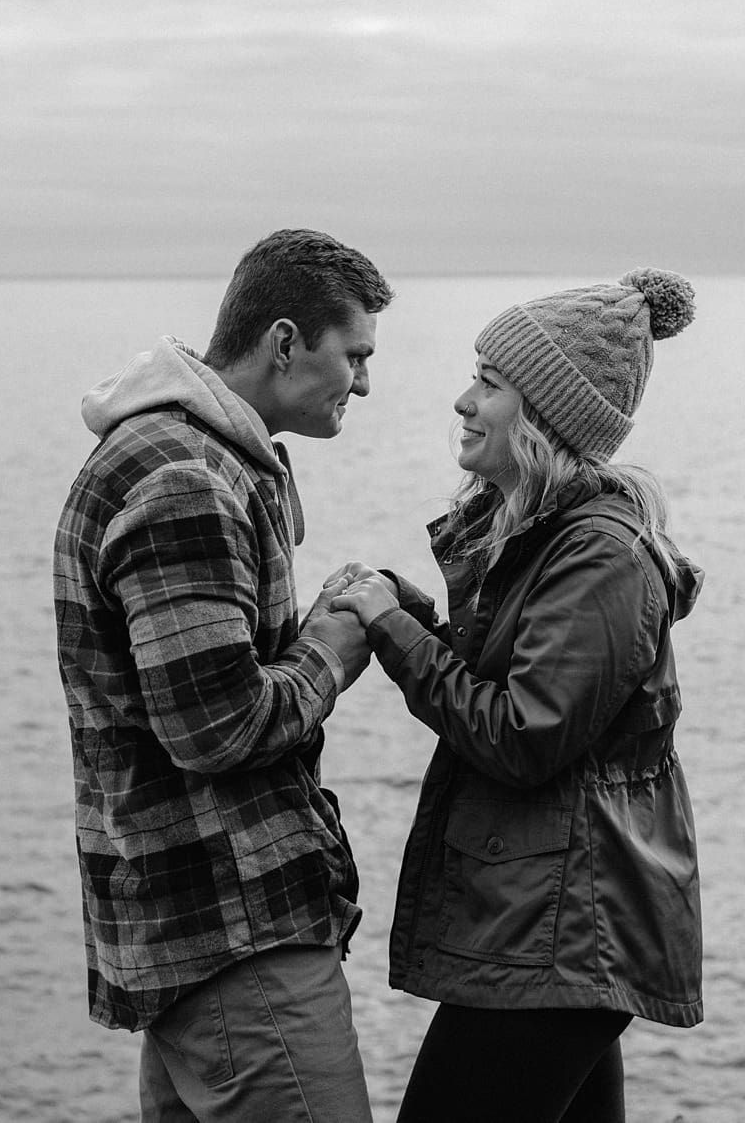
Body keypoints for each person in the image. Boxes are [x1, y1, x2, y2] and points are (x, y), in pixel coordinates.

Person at [326, 267, 705, 1123]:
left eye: (490, 385)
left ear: (544, 415)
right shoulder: (548, 538)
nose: (463, 400)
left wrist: (395, 633)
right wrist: (417, 612)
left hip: (564, 934)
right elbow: (526, 680)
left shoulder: (599, 556)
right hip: (553, 929)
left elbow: (525, 734)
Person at [54, 228, 393, 1123]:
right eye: (354, 355)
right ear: (285, 342)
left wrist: (322, 616)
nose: (364, 382)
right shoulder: (185, 478)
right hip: (234, 937)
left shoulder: (187, 456)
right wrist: (335, 648)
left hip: (198, 936)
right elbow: (217, 726)